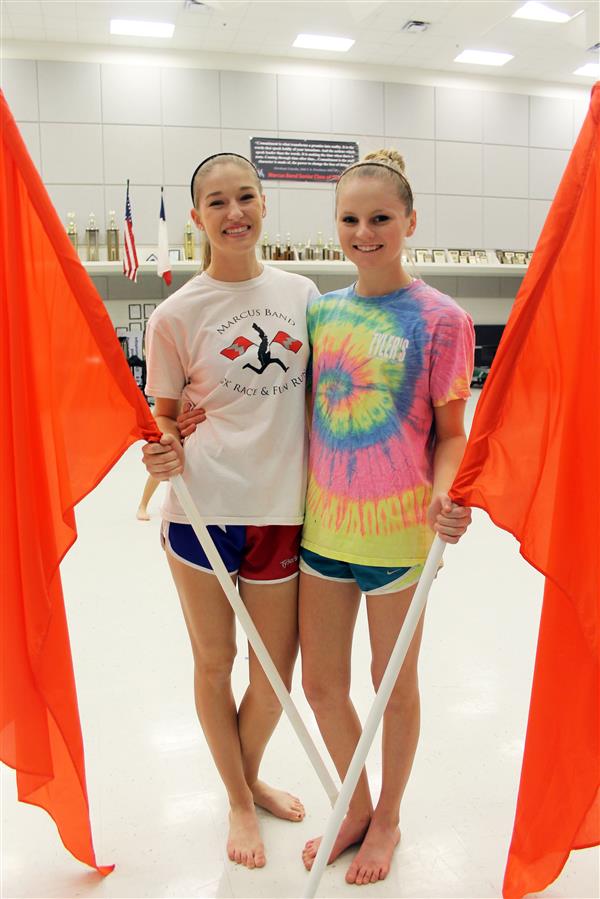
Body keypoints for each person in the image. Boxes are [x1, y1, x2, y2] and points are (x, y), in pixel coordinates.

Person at [299, 150, 475, 885]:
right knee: (321, 685)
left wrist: (446, 491)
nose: (364, 231)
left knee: (391, 682)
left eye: (379, 217)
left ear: (410, 221)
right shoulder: (321, 311)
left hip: (402, 535)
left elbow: (453, 430)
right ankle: (356, 804)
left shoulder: (443, 318)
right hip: (322, 532)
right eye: (350, 218)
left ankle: (391, 817)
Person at [141, 153, 319, 869]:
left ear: (265, 204)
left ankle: (242, 779)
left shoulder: (305, 293)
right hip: (202, 514)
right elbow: (164, 418)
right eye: (216, 202)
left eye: (245, 196)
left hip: (283, 508)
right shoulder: (176, 313)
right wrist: (161, 449)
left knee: (274, 673)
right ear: (197, 218)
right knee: (215, 660)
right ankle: (242, 800)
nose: (233, 211)